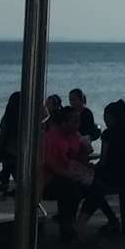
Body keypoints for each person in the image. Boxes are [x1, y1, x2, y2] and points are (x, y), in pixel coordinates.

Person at [42, 101, 96, 240]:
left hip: (68, 174)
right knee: (71, 189)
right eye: (74, 121)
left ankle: (77, 221)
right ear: (64, 123)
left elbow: (80, 160)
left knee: (96, 187)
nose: (78, 124)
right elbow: (51, 164)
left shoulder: (75, 136)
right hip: (48, 179)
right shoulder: (52, 138)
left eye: (78, 121)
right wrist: (69, 174)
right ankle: (67, 222)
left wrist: (85, 151)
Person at [93, 100, 125, 236]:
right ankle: (121, 222)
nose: (104, 119)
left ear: (112, 117)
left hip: (114, 174)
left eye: (106, 116)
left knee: (91, 186)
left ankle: (111, 218)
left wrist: (92, 168)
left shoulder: (108, 134)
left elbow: (103, 161)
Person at [0, 91, 24, 195]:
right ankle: (3, 180)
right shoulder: (27, 118)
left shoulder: (8, 118)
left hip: (12, 152)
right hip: (21, 152)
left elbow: (4, 138)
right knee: (6, 154)